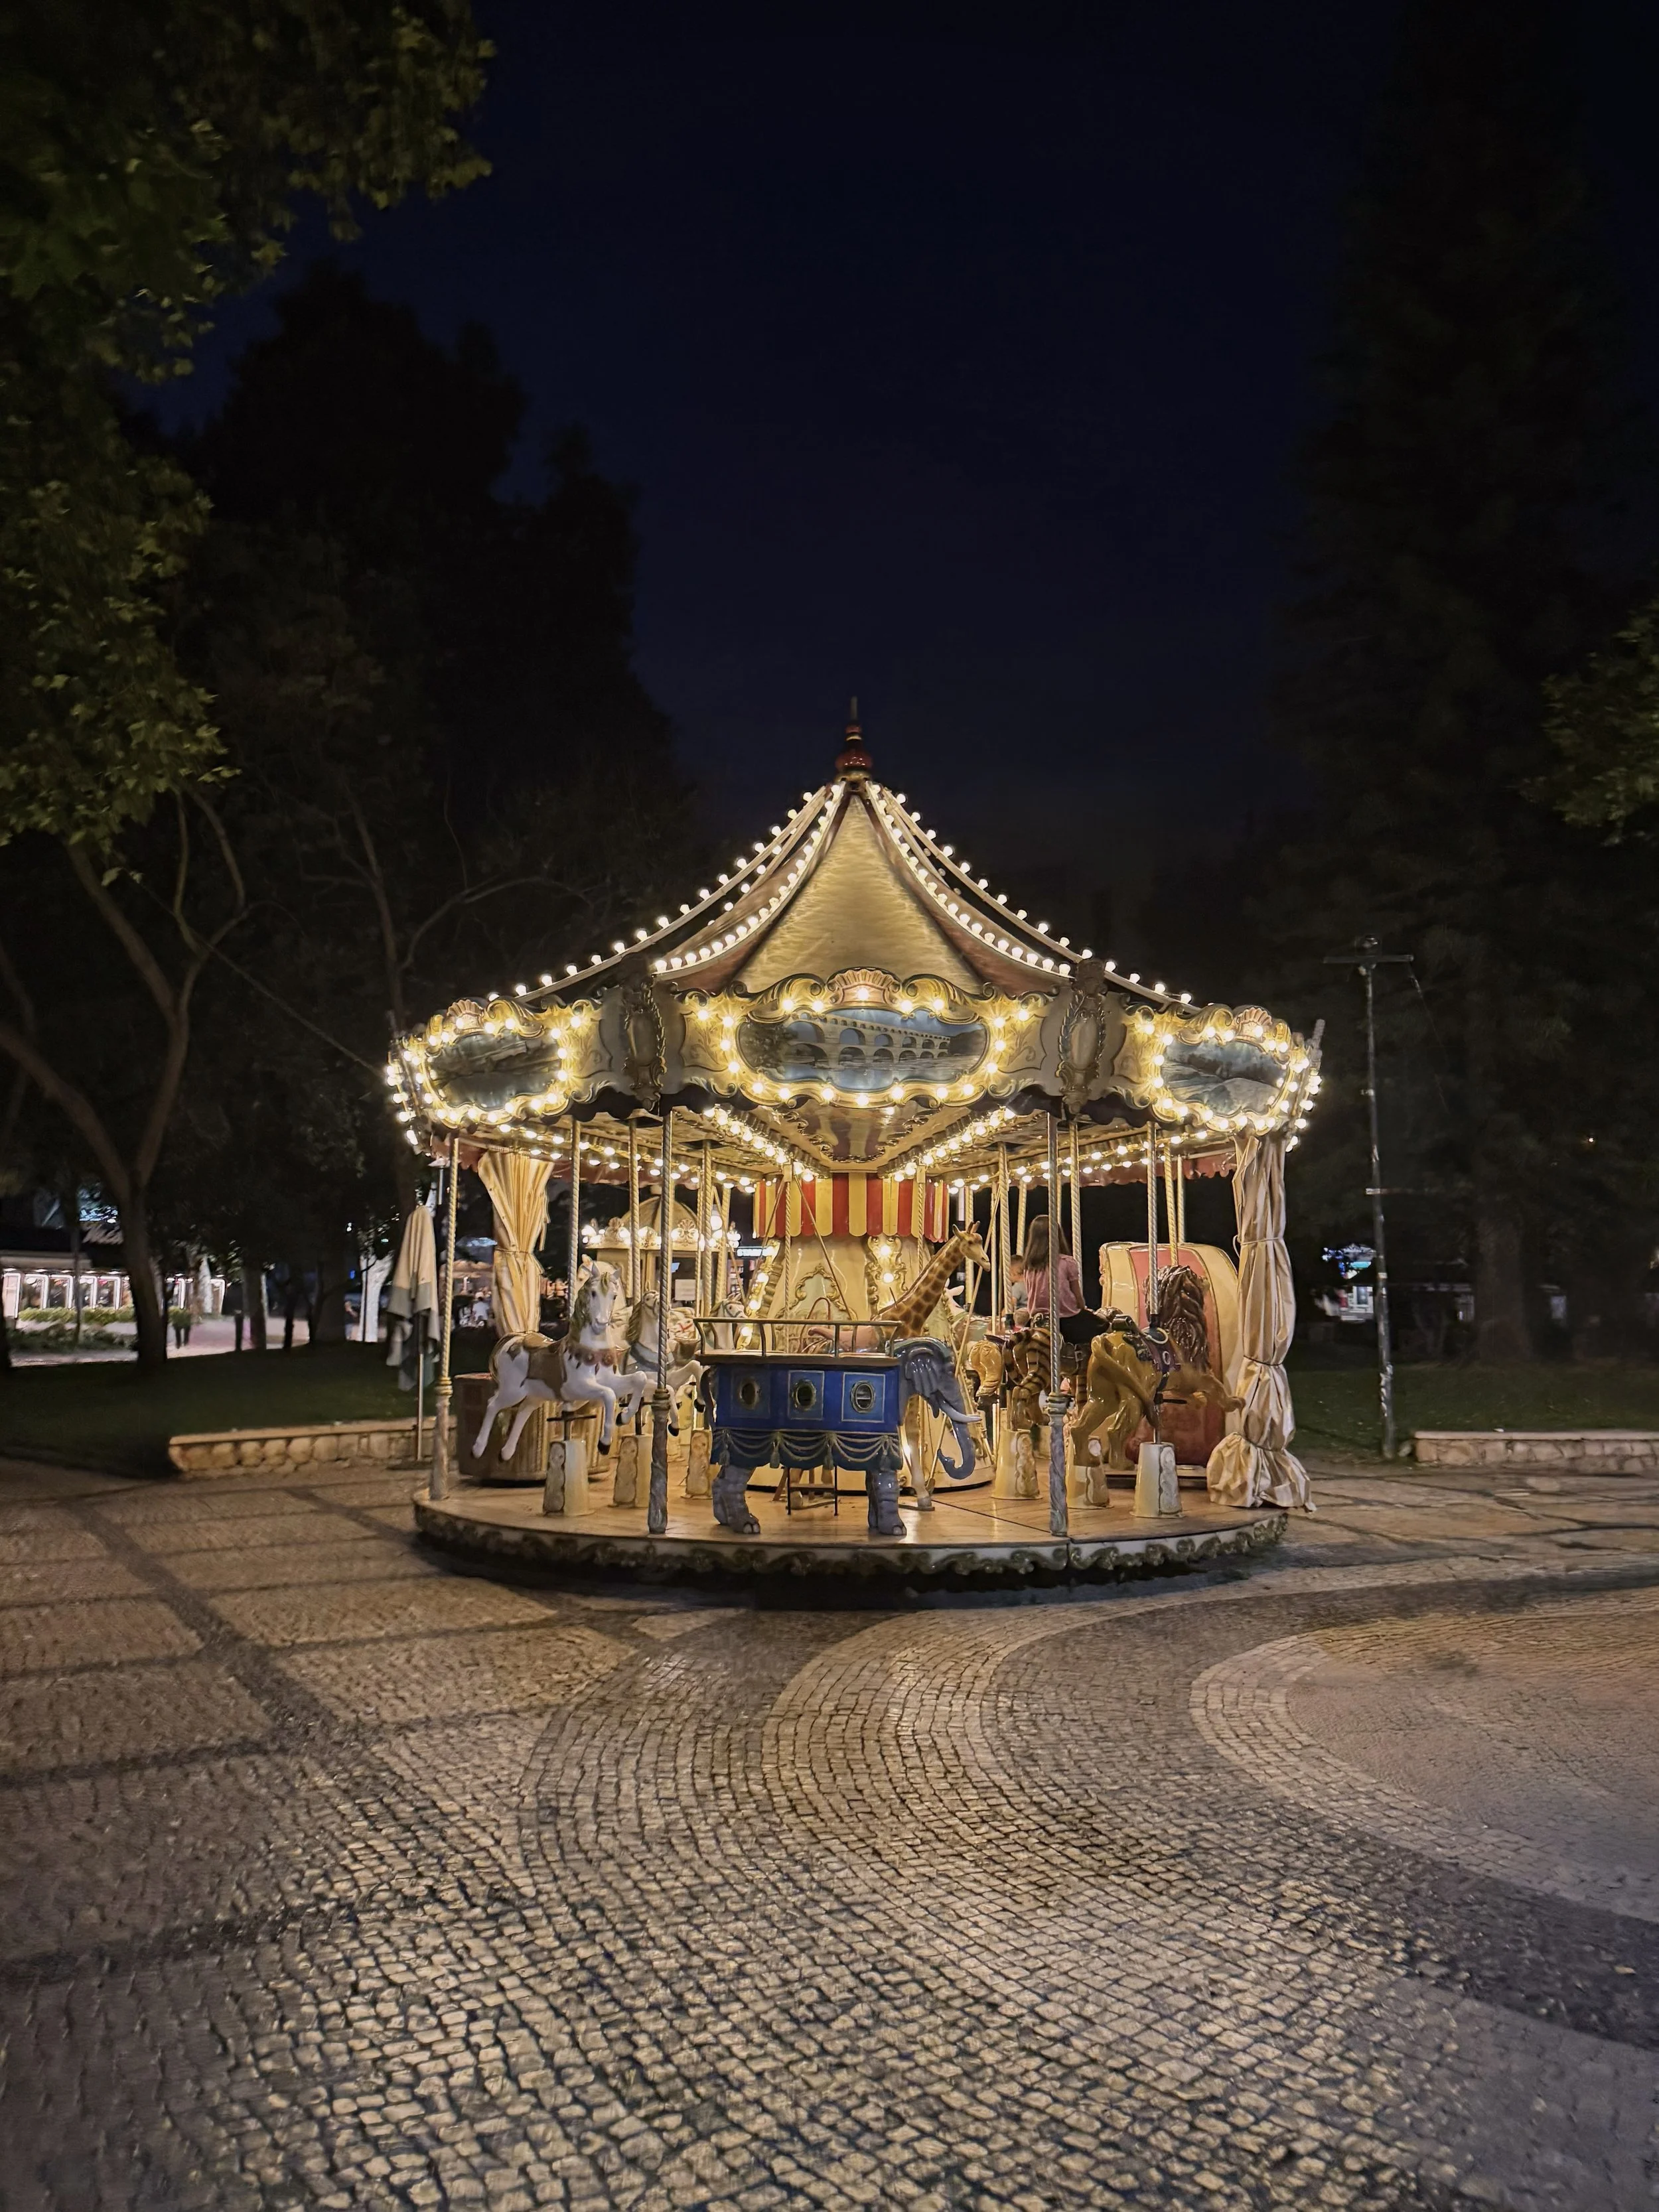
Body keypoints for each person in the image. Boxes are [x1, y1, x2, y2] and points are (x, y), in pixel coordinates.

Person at [1021, 1214, 1107, 1349]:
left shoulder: (1029, 1266)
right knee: (1105, 1328)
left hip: (1037, 1320)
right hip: (1066, 1319)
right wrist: (1084, 1308)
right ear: (1057, 1236)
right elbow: (1078, 1297)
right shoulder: (1067, 1262)